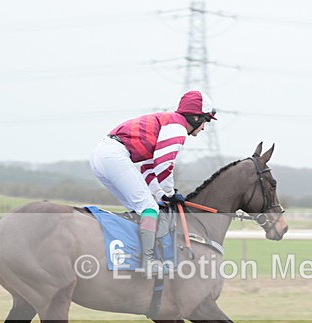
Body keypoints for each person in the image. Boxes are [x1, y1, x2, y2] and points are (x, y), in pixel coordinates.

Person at [89, 90, 217, 275]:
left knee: (142, 209)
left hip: (103, 156)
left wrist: (161, 195)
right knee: (149, 208)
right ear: (196, 117)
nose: (204, 127)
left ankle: (130, 253)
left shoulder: (168, 123)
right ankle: (148, 261)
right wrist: (171, 193)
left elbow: (148, 169)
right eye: (205, 121)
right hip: (114, 156)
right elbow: (164, 165)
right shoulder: (177, 127)